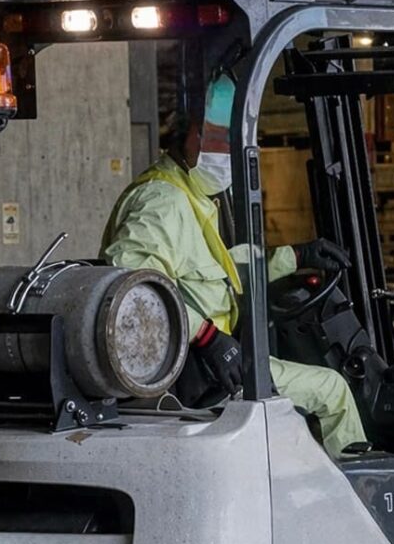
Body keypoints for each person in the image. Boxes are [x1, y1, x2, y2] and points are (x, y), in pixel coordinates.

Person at [101, 73, 368, 458]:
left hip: (199, 365)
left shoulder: (188, 195)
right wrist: (207, 338)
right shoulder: (163, 203)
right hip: (190, 375)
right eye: (220, 142)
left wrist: (296, 256)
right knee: (334, 391)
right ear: (193, 135)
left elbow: (218, 272)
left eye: (234, 144)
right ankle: (359, 502)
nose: (228, 155)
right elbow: (132, 287)